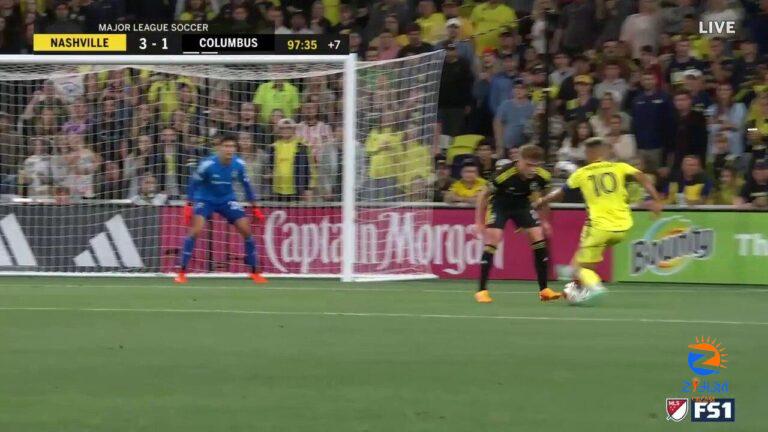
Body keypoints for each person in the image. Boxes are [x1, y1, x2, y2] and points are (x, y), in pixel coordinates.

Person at [534, 137, 662, 304]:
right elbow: (641, 176)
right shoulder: (619, 167)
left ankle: (595, 286)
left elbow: (560, 192)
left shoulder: (582, 172)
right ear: (605, 152)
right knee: (587, 260)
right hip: (622, 226)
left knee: (577, 267)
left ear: (590, 153)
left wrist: (542, 201)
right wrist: (656, 199)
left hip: (600, 227)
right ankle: (579, 290)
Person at [473, 144, 559, 303]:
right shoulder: (504, 174)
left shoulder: (542, 176)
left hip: (522, 205)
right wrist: (478, 222)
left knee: (538, 236)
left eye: (536, 165)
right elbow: (483, 195)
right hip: (500, 204)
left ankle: (544, 290)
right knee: (494, 238)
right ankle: (481, 290)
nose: (532, 169)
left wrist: (545, 222)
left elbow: (543, 200)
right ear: (519, 160)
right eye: (528, 164)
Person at [176, 134, 267, 284]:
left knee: (246, 229)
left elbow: (246, 186)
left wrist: (255, 207)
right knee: (196, 230)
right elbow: (193, 182)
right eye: (226, 146)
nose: (229, 149)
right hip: (205, 199)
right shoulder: (207, 164)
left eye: (232, 146)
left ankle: (254, 271)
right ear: (219, 148)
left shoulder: (239, 164)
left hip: (227, 199)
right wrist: (189, 204)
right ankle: (181, 271)